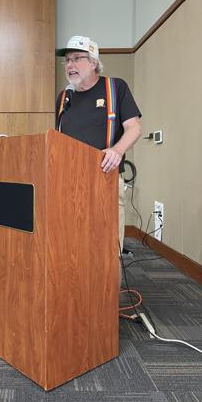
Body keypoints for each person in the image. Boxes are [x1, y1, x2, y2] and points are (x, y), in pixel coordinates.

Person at [55, 35, 142, 286]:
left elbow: (134, 128)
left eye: (77, 58)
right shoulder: (64, 97)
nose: (70, 64)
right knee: (70, 245)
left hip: (105, 180)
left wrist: (116, 150)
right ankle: (74, 302)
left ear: (93, 62)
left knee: (105, 249)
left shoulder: (116, 88)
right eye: (67, 60)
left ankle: (104, 311)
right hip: (68, 185)